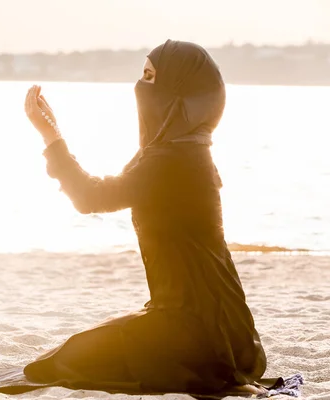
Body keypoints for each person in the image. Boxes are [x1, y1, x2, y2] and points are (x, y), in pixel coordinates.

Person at [22, 39, 268, 395]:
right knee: (68, 355)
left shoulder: (169, 161)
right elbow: (99, 189)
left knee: (58, 362)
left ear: (177, 91)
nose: (141, 87)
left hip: (195, 332)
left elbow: (90, 197)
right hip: (231, 330)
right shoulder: (185, 150)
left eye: (150, 77)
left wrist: (50, 135)